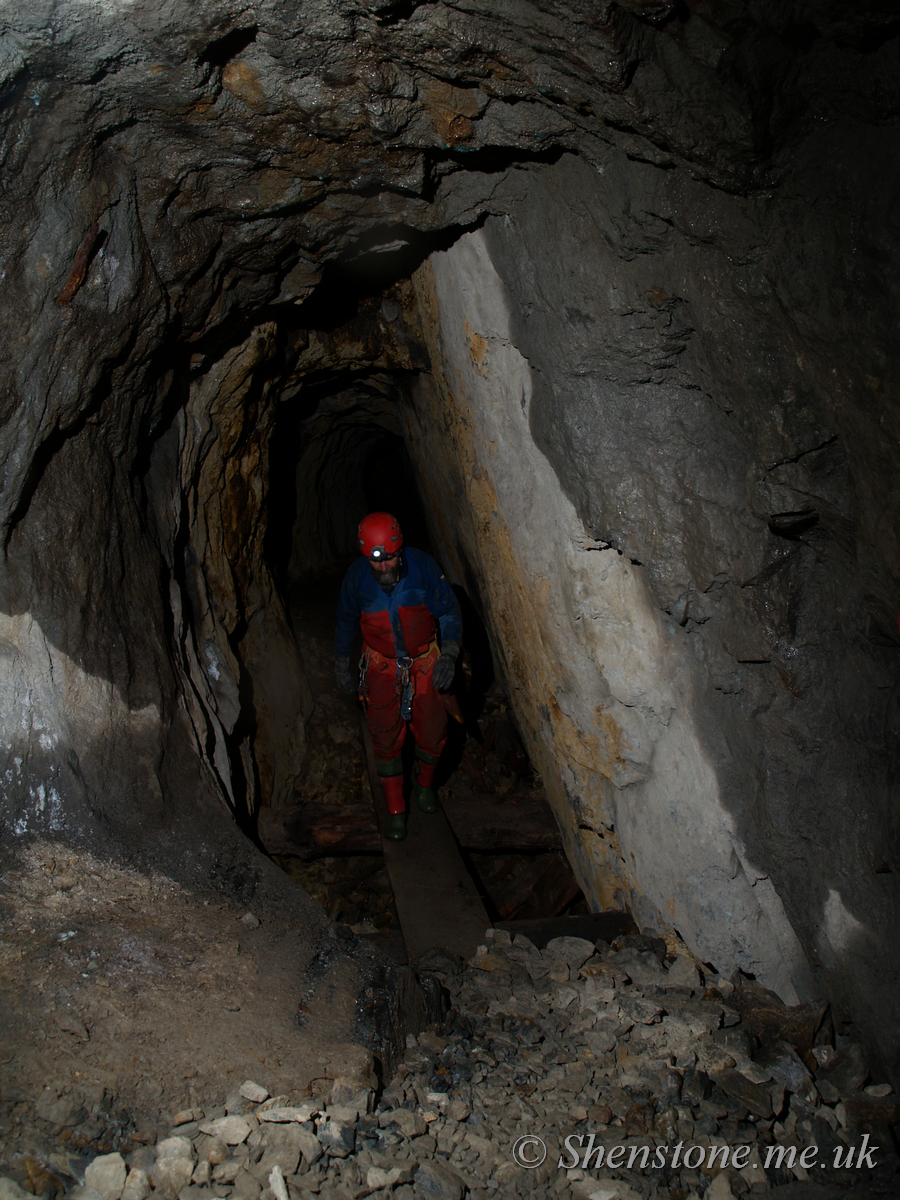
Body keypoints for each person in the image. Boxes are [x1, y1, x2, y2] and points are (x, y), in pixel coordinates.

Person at [334, 512, 462, 841]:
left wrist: (449, 653)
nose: (384, 567)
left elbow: (448, 611)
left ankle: (424, 787)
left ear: (400, 549)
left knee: (433, 731)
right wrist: (340, 660)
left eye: (390, 559)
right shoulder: (357, 579)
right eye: (376, 562)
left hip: (423, 663)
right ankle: (395, 808)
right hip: (381, 666)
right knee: (384, 736)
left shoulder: (423, 569)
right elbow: (346, 620)